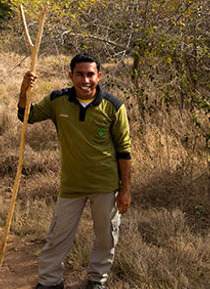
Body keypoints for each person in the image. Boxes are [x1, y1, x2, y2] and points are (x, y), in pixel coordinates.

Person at [18, 53, 132, 289]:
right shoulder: (57, 101)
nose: (85, 80)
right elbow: (25, 115)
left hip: (105, 185)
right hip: (71, 186)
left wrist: (125, 190)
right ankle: (50, 282)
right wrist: (24, 89)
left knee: (106, 238)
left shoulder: (113, 107)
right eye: (79, 74)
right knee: (57, 238)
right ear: (71, 76)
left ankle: (97, 281)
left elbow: (124, 150)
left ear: (99, 76)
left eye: (90, 74)